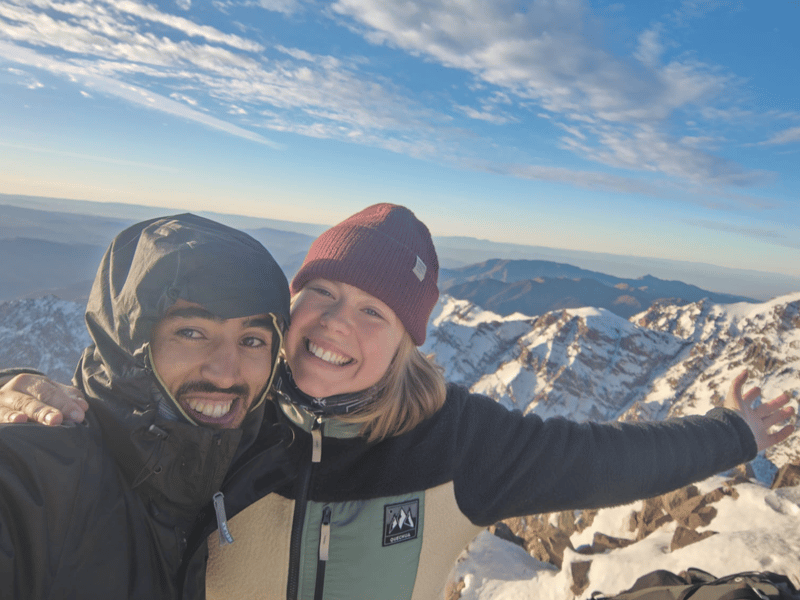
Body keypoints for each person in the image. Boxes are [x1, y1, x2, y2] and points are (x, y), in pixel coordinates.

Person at [1, 204, 794, 600]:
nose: (335, 326)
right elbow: (115, 440)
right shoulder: (231, 412)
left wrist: (737, 431)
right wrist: (27, 390)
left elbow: (606, 461)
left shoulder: (458, 444)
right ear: (289, 309)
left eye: (373, 312)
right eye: (322, 294)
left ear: (406, 342)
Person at [0, 213, 295, 599]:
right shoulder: (40, 478)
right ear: (129, 346)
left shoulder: (279, 459)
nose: (226, 375)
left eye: (253, 340)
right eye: (191, 332)